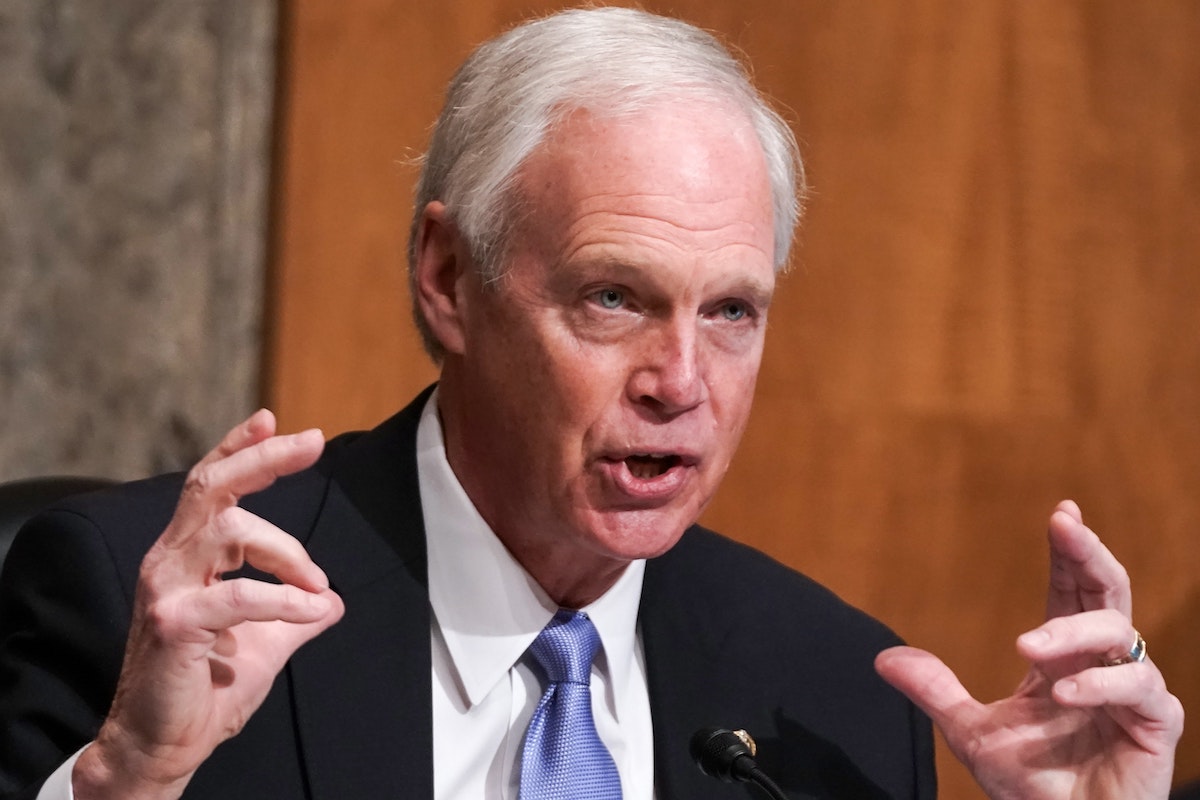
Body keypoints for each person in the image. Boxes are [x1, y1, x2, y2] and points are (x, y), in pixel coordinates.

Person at [0, 7, 1182, 800]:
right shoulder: (148, 609)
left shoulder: (831, 694)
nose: (682, 384)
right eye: (616, 297)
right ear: (448, 278)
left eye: (732, 311)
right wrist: (125, 781)